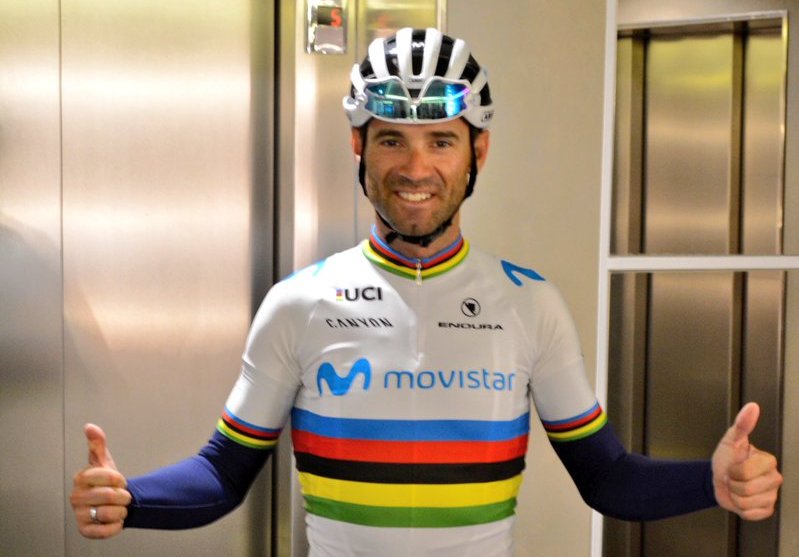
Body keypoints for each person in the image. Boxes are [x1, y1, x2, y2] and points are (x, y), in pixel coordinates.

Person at [71, 27, 783, 556]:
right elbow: (223, 474)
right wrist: (131, 499)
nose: (415, 168)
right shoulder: (298, 303)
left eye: (440, 141)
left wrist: (711, 483)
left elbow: (607, 477)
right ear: (358, 146)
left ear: (478, 151)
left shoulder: (529, 304)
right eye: (391, 140)